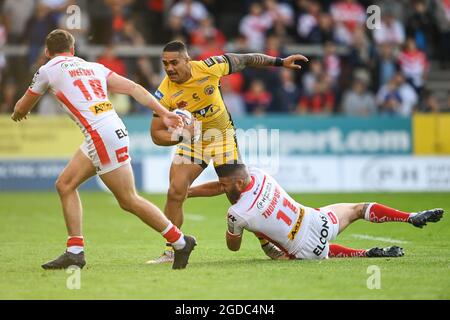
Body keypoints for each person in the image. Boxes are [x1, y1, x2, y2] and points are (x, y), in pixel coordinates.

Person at [11, 29, 196, 270]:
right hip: (111, 128)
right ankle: (75, 252)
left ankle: (180, 242)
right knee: (65, 184)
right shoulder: (94, 67)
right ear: (73, 50)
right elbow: (134, 88)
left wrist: (17, 113)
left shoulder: (47, 69)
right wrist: (164, 112)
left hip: (100, 136)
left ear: (47, 52)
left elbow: (22, 108)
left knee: (128, 200)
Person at [148, 40, 308, 263]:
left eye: (174, 62)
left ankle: (265, 240)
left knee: (235, 190)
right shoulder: (164, 91)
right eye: (165, 64)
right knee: (175, 191)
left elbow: (246, 59)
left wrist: (281, 62)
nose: (169, 68)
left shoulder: (210, 67)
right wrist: (183, 136)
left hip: (221, 136)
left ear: (187, 60)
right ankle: (174, 248)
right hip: (192, 141)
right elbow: (156, 134)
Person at [187, 164, 444, 260]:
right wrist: (188, 191)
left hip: (303, 248)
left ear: (238, 184)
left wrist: (235, 229)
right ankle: (409, 216)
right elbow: (226, 185)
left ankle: (367, 253)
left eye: (224, 185)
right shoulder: (258, 174)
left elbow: (233, 248)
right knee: (358, 208)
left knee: (312, 251)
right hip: (315, 218)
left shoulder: (237, 213)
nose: (221, 188)